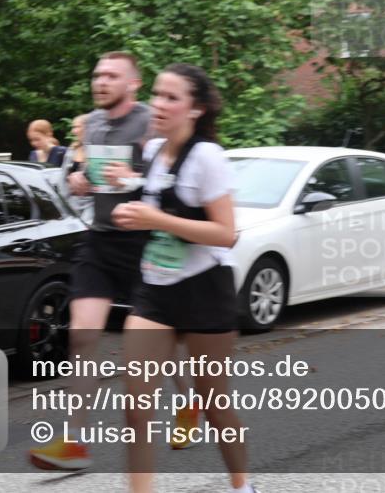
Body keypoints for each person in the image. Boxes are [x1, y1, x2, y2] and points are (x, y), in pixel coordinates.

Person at [108, 63, 256, 493]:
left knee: (214, 404)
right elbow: (157, 199)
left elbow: (225, 234)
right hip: (155, 291)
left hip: (204, 291)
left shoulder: (209, 157)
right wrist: (128, 196)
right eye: (157, 94)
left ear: (196, 109)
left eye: (172, 98)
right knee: (136, 408)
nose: (159, 104)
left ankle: (241, 486)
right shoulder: (154, 151)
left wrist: (154, 217)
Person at [29, 52, 152, 471]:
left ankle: (191, 398)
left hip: (147, 244)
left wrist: (135, 180)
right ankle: (75, 441)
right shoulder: (92, 123)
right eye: (97, 74)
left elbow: (171, 178)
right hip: (100, 241)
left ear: (133, 84)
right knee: (82, 336)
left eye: (111, 76)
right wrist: (77, 181)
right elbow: (83, 176)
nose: (100, 81)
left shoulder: (153, 122)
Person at [58, 113, 92, 219]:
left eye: (76, 127)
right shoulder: (72, 150)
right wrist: (63, 202)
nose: (73, 131)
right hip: (71, 203)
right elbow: (62, 179)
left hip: (91, 204)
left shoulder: (97, 150)